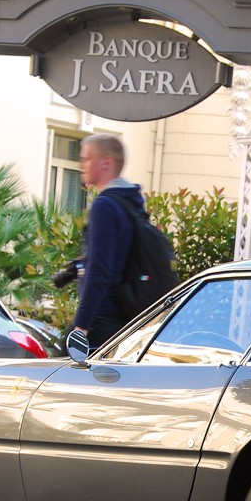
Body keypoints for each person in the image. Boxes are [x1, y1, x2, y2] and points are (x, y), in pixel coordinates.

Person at [70, 133, 145, 350]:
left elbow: (100, 271)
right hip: (125, 318)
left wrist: (81, 327)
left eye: (86, 158)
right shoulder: (131, 202)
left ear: (106, 163)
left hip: (101, 319)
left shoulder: (105, 206)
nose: (80, 164)